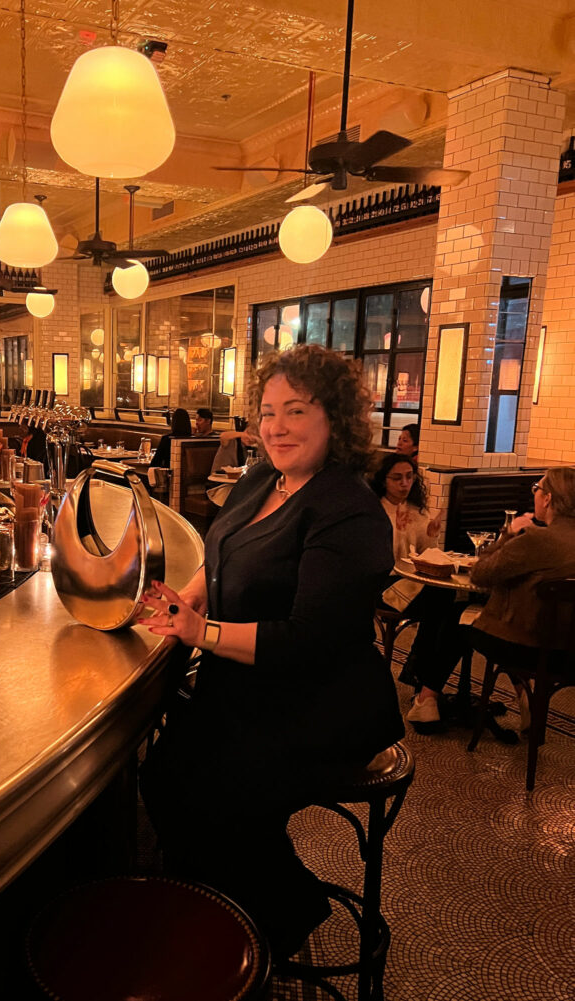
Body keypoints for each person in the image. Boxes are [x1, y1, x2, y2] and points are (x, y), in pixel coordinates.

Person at [138, 344, 403, 960]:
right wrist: (186, 600)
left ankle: (284, 912)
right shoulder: (265, 476)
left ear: (334, 419)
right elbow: (221, 550)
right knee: (164, 772)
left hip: (320, 704)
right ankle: (216, 905)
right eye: (267, 412)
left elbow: (306, 642)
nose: (277, 427)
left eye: (296, 411)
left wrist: (199, 632)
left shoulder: (348, 511)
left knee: (217, 793)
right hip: (246, 687)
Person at [409, 467, 575, 727]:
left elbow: (482, 574)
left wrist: (509, 533)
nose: (535, 494)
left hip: (528, 647)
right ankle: (526, 698)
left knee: (457, 617)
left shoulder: (537, 540)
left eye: (537, 489)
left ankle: (426, 700)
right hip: (567, 653)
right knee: (472, 615)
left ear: (548, 498)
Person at [370, 452, 464, 699]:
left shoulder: (414, 510)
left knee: (445, 598)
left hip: (413, 581)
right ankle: (422, 674)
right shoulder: (373, 510)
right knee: (442, 603)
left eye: (409, 477)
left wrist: (431, 534)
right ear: (383, 481)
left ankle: (421, 673)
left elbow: (422, 555)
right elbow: (378, 558)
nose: (405, 484)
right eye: (397, 478)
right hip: (382, 583)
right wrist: (395, 531)